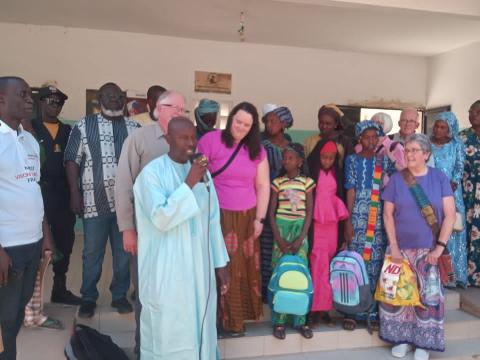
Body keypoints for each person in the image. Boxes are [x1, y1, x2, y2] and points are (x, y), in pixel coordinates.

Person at [133, 117, 229, 359]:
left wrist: (220, 263)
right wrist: (189, 182)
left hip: (199, 268)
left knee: (201, 326)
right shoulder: (151, 174)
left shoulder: (202, 174)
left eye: (193, 137)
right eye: (183, 137)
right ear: (168, 139)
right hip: (167, 271)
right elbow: (161, 219)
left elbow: (213, 220)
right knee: (170, 331)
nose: (190, 143)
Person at [115, 90, 186, 355]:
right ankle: (143, 346)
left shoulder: (190, 141)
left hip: (179, 235)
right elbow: (123, 185)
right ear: (158, 108)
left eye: (183, 109)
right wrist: (127, 229)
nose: (179, 112)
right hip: (146, 234)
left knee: (174, 293)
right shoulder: (139, 139)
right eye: (174, 107)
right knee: (146, 292)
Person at [65, 82, 139, 318]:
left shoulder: (135, 127)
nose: (115, 98)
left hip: (126, 205)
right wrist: (75, 193)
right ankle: (88, 297)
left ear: (124, 98)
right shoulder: (84, 125)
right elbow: (71, 160)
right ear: (99, 99)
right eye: (109, 95)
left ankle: (119, 295)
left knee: (123, 253)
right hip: (93, 202)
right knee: (92, 253)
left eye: (118, 95)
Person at [380, 133, 455, 360]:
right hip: (399, 251)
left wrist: (439, 249)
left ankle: (423, 344)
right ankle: (402, 339)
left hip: (428, 251)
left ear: (426, 154)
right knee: (398, 297)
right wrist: (393, 247)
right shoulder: (396, 179)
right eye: (407, 149)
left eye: (415, 150)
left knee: (427, 299)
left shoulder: (439, 178)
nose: (410, 154)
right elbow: (387, 215)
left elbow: (450, 216)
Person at [197, 102, 270, 336]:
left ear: (252, 127)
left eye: (246, 125)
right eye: (238, 121)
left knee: (240, 270)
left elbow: (262, 185)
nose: (241, 127)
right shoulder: (210, 141)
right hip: (216, 216)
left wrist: (260, 219)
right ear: (230, 120)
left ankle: (235, 321)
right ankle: (215, 321)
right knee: (218, 268)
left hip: (246, 218)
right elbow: (195, 174)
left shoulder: (257, 150)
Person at [0, 76, 50, 358]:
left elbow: (34, 188)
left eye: (31, 95)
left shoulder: (29, 140)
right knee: (5, 319)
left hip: (31, 245)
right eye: (23, 94)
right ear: (1, 99)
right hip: (7, 247)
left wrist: (45, 235)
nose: (31, 100)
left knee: (17, 315)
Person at [343, 120, 395, 331]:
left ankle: (373, 311)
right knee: (357, 263)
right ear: (359, 139)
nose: (371, 140)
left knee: (375, 264)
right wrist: (348, 220)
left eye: (375, 137)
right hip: (358, 215)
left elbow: (392, 189)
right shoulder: (352, 160)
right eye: (367, 137)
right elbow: (350, 189)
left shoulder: (384, 162)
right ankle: (353, 312)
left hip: (379, 215)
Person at [32, 86, 81, 305]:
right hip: (36, 191)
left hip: (61, 193)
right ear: (40, 102)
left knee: (65, 239)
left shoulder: (68, 131)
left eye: (59, 102)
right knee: (35, 242)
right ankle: (30, 296)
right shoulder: (29, 128)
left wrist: (74, 192)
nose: (55, 106)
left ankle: (59, 288)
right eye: (51, 101)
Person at [268, 143, 315, 340]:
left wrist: (300, 238)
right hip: (281, 228)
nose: (286, 161)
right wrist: (279, 239)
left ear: (300, 161)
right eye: (284, 158)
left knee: (299, 274)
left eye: (290, 158)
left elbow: (310, 212)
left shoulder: (307, 182)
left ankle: (300, 320)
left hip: (299, 230)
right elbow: (271, 213)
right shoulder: (277, 182)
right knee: (281, 274)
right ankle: (279, 321)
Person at [308, 140, 348, 326]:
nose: (327, 161)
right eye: (324, 157)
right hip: (315, 227)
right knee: (316, 267)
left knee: (327, 269)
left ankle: (324, 310)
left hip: (331, 227)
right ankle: (313, 309)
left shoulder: (337, 174)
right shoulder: (310, 173)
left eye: (331, 158)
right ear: (318, 156)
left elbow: (340, 198)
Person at [260, 105, 294, 301]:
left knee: (283, 243)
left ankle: (283, 285)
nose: (268, 124)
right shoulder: (262, 146)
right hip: (265, 202)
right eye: (267, 121)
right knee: (265, 247)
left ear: (283, 124)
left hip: (287, 205)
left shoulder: (291, 146)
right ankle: (266, 290)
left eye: (273, 121)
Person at [431, 112, 467, 288]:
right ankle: (437, 275)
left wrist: (452, 183)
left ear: (450, 129)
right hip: (431, 192)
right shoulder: (427, 144)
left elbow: (460, 166)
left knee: (453, 230)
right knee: (435, 230)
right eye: (436, 126)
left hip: (452, 193)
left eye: (442, 127)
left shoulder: (456, 145)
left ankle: (454, 276)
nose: (438, 129)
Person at [459, 100, 480, 287]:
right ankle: (466, 274)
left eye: (476, 112)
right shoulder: (462, 137)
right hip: (467, 192)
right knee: (465, 230)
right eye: (471, 111)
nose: (472, 115)